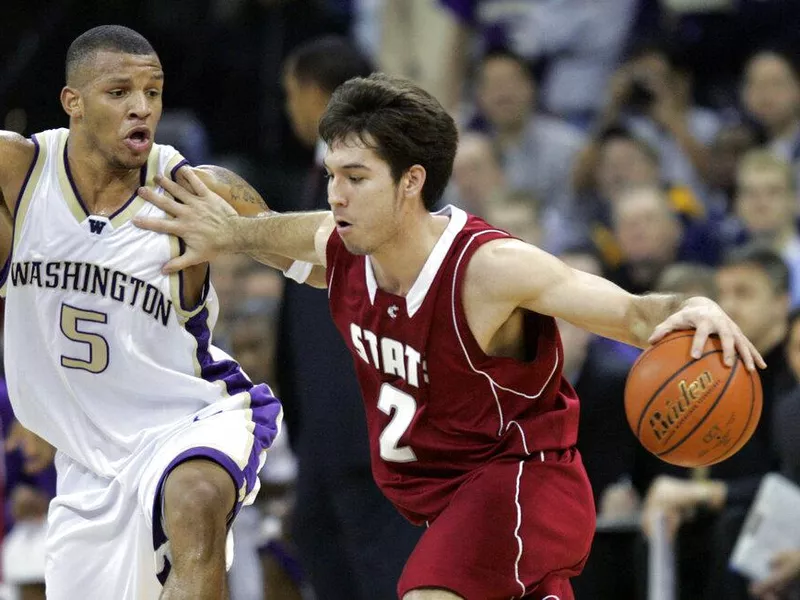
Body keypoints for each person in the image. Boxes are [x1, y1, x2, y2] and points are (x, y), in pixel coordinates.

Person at [136, 73, 764, 600]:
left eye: (356, 177)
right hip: (444, 498)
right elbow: (275, 234)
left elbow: (630, 314)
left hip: (520, 481)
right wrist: (232, 232)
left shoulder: (488, 268)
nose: (337, 195)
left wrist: (695, 304)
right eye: (332, 176)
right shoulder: (347, 244)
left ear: (410, 181)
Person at [0, 25, 318, 600]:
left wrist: (243, 232)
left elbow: (323, 263)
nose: (141, 107)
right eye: (119, 92)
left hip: (190, 419)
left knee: (194, 503)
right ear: (72, 102)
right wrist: (37, 399)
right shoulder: (18, 173)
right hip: (88, 461)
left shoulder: (191, 190)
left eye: (153, 90)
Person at [280, 36, 422, 600]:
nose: (288, 107)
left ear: (315, 96)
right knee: (317, 540)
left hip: (373, 415)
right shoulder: (317, 182)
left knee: (384, 569)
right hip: (322, 423)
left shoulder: (388, 185)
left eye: (291, 93)